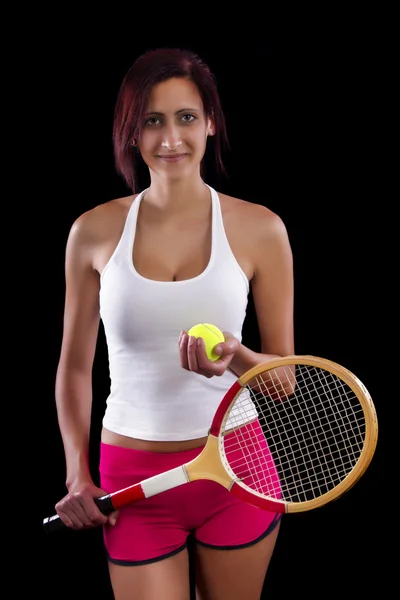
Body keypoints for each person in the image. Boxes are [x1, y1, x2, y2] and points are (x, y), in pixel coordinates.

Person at [53, 47, 294, 600]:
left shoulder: (261, 229)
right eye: (151, 121)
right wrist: (76, 473)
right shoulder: (92, 231)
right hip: (132, 479)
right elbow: (73, 368)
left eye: (186, 117)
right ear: (131, 132)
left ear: (211, 122)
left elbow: (284, 382)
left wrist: (235, 356)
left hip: (238, 470)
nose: (170, 140)